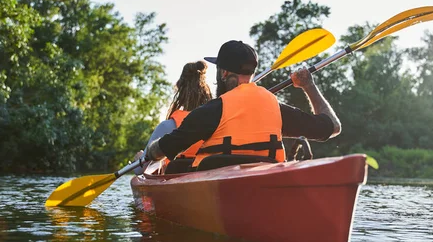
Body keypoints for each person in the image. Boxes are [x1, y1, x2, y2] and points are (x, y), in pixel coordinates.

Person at [145, 40, 342, 169]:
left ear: (222, 73)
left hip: (216, 188)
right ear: (252, 74)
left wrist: (147, 153)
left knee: (174, 167)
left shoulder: (209, 112)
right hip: (265, 184)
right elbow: (333, 127)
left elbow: (161, 150)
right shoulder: (275, 108)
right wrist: (309, 86)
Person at [134, 60, 212, 174]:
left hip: (177, 182)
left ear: (179, 89)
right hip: (208, 181)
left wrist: (139, 159)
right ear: (206, 91)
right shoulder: (215, 122)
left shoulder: (167, 126)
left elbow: (139, 170)